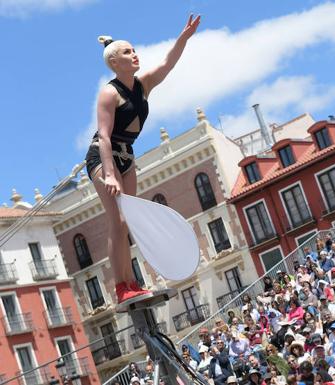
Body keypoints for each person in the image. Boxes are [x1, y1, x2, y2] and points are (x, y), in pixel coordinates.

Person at [86, 15, 201, 303]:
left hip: (127, 156)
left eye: (134, 50)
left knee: (130, 222)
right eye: (127, 52)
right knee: (119, 219)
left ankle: (132, 281)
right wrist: (110, 174)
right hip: (104, 157)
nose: (134, 54)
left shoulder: (143, 84)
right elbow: (103, 136)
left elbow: (167, 64)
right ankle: (121, 286)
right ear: (114, 62)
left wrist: (183, 38)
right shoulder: (109, 93)